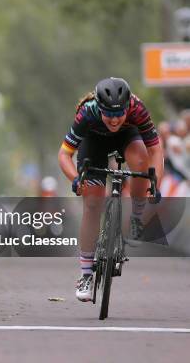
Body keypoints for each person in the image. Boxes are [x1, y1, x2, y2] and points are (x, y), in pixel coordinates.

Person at [58, 77, 163, 302]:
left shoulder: (137, 109)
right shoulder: (87, 112)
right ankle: (86, 274)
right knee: (93, 203)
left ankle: (136, 214)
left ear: (127, 107)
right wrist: (75, 179)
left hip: (128, 138)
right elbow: (64, 154)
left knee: (141, 160)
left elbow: (156, 150)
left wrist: (155, 183)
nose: (114, 120)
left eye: (119, 114)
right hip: (94, 142)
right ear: (99, 108)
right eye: (109, 114)